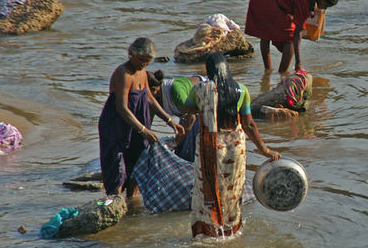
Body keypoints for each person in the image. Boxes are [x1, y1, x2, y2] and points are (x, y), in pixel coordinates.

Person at [185, 52, 281, 237]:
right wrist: (265, 150)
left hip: (209, 147)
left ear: (209, 70)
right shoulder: (241, 90)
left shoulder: (201, 89)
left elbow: (187, 108)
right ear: (227, 69)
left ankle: (208, 231)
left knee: (207, 189)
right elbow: (249, 125)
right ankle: (230, 231)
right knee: (233, 191)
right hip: (235, 148)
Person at [98, 38, 185, 198]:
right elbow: (122, 108)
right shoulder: (123, 73)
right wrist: (143, 130)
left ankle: (132, 206)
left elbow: (150, 99)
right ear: (130, 54)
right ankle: (114, 205)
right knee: (117, 170)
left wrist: (169, 121)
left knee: (138, 166)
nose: (143, 64)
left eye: (147, 61)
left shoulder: (142, 73)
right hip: (117, 125)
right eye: (140, 60)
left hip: (137, 124)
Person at [245, 0, 339, 74]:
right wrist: (299, 62)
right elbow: (297, 35)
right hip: (268, 1)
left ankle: (268, 70)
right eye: (325, 6)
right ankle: (283, 73)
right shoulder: (305, 0)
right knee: (290, 38)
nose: (324, 9)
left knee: (265, 34)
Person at [147, 70, 206, 162]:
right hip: (187, 114)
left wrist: (176, 142)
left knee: (189, 148)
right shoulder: (154, 100)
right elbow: (147, 124)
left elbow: (191, 118)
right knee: (181, 148)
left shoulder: (175, 91)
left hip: (203, 105)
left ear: (153, 90)